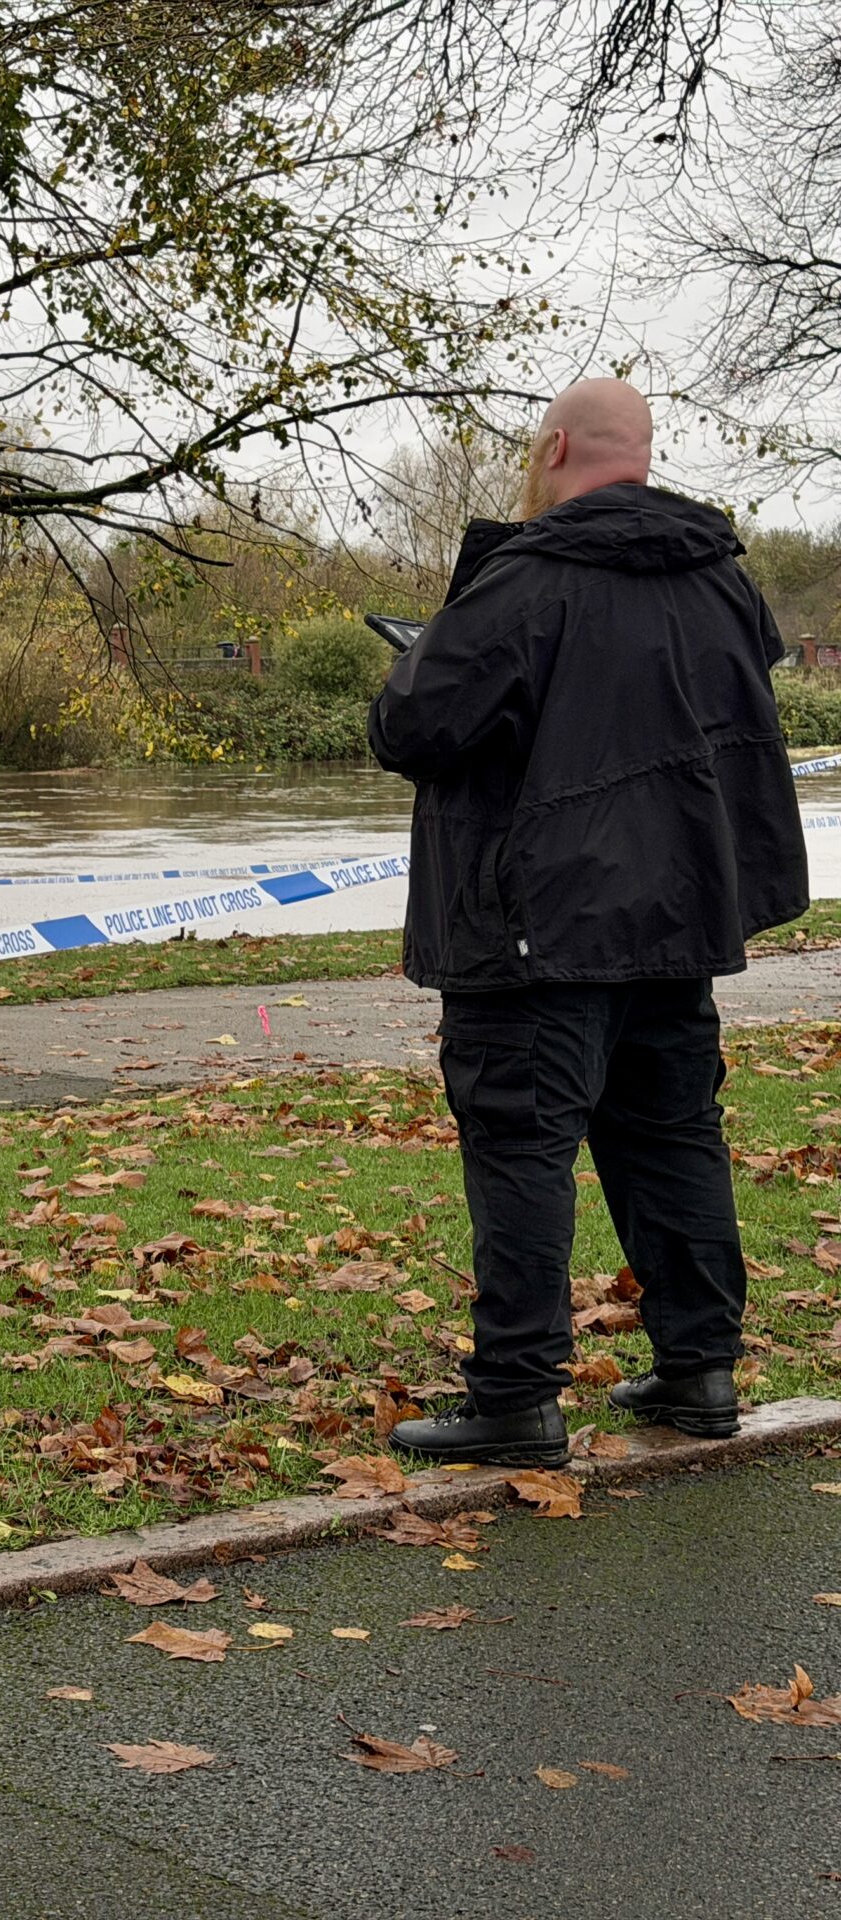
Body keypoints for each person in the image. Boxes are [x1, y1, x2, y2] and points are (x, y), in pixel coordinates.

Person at [372, 377, 808, 1468]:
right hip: (675, 921)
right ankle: (699, 1370)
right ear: (645, 455)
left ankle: (516, 1395)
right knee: (672, 1141)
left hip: (538, 927)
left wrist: (427, 643)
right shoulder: (724, 585)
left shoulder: (526, 580)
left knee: (520, 1146)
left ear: (554, 446)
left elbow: (416, 727)